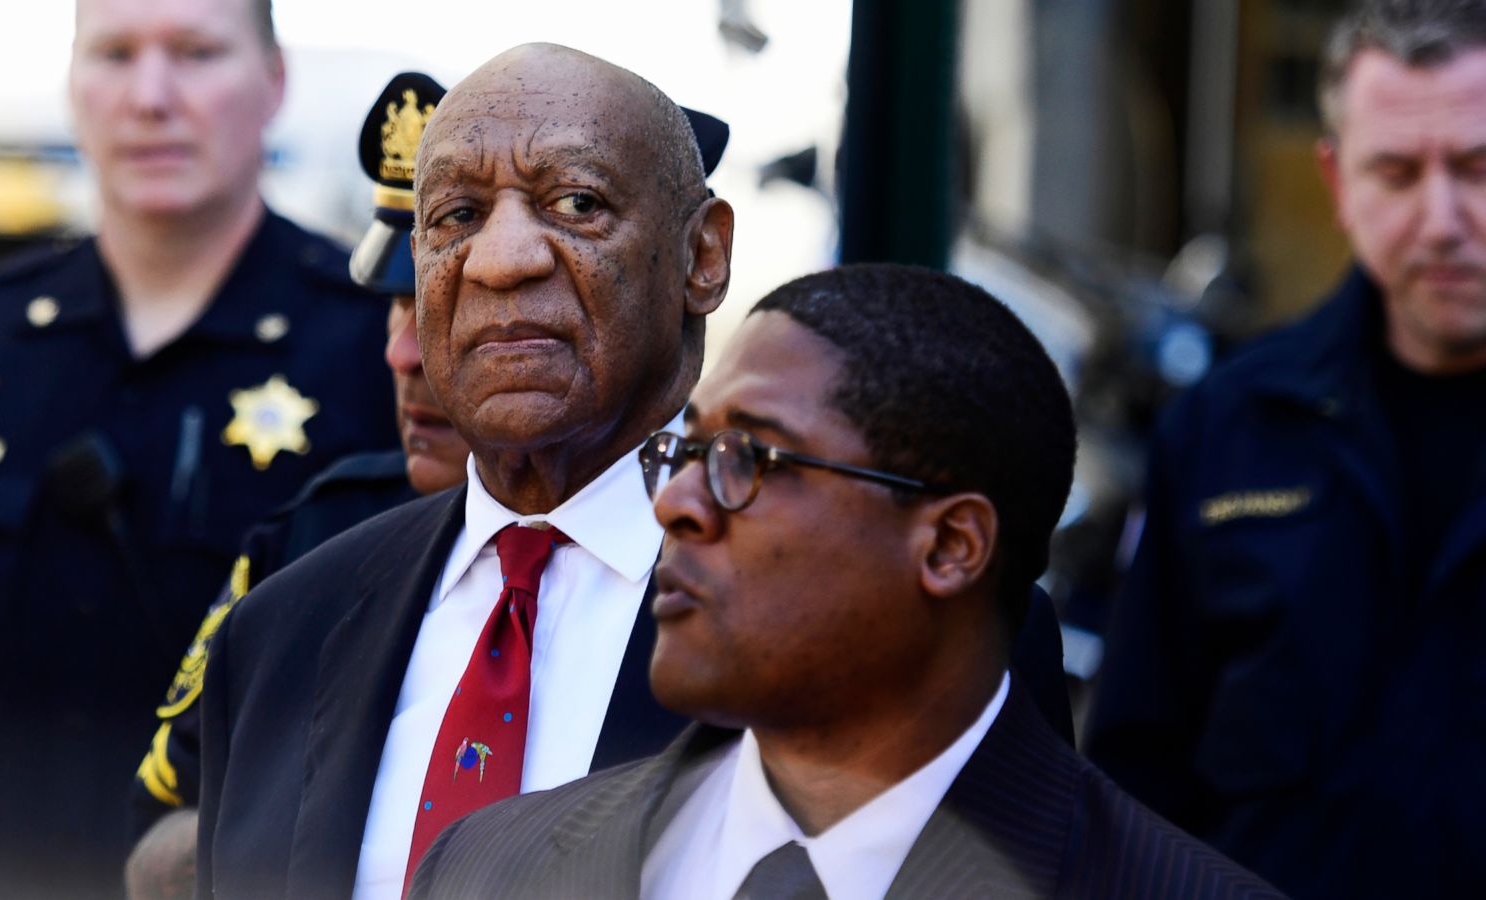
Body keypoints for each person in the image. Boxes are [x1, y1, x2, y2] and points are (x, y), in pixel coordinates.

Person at [196, 44, 1076, 900]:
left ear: (704, 257)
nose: (502, 261)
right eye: (457, 216)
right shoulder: (281, 633)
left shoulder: (900, 629)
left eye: (576, 203)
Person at [407, 264, 1282, 900]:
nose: (675, 503)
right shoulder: (489, 868)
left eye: (747, 457)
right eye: (686, 452)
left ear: (949, 546)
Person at [0, 0, 399, 896]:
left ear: (274, 82)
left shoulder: (378, 357)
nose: (151, 96)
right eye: (115, 54)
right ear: (73, 84)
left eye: (197, 53)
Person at [1084, 2, 1486, 897]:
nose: (1442, 220)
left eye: (1477, 167)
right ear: (1339, 182)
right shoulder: (1228, 428)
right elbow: (1136, 783)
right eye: (1397, 172)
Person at [122, 71, 470, 900]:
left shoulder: (696, 539)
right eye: (395, 304)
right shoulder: (315, 539)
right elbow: (158, 830)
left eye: (453, 302)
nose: (405, 355)